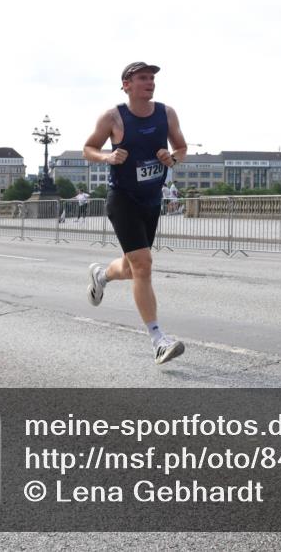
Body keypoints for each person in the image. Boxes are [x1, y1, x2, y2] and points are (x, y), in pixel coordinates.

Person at [83, 61, 189, 365]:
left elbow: (181, 148)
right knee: (143, 265)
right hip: (123, 198)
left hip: (151, 200)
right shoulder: (114, 116)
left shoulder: (166, 113)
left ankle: (102, 274)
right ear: (127, 84)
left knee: (132, 269)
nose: (150, 82)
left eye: (152, 78)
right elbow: (88, 148)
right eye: (143, 78)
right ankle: (158, 340)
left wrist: (172, 158)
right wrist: (108, 156)